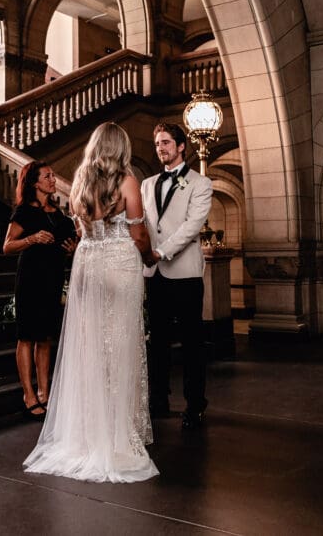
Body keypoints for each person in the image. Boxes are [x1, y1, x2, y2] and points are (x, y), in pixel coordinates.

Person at [23, 122, 159, 483]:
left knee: (91, 348)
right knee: (122, 346)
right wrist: (149, 258)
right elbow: (139, 233)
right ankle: (115, 436)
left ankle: (86, 433)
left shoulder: (80, 180)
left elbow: (82, 230)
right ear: (122, 147)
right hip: (119, 263)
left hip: (88, 263)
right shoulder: (127, 181)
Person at [141, 122, 213, 430]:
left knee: (191, 342)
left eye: (166, 142)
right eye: (158, 143)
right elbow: (143, 224)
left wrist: (160, 252)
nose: (161, 148)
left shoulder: (200, 183)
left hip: (184, 274)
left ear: (181, 146)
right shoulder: (146, 184)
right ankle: (159, 399)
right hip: (153, 273)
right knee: (157, 340)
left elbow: (191, 226)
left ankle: (195, 404)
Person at [3, 161, 77, 420]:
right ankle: (28, 394)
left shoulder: (59, 215)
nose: (53, 179)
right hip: (30, 281)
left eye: (53, 175)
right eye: (48, 176)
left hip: (52, 279)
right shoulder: (24, 212)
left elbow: (69, 244)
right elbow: (7, 246)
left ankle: (44, 392)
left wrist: (71, 249)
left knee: (45, 338)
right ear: (35, 182)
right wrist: (32, 239)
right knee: (27, 337)